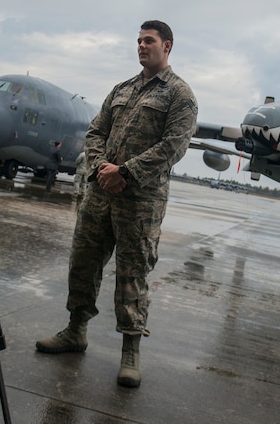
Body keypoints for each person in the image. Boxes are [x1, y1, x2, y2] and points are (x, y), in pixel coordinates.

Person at [35, 20, 197, 389]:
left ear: (167, 46)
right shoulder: (122, 89)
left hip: (139, 204)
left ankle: (130, 352)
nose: (142, 46)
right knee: (83, 262)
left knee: (132, 276)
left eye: (149, 41)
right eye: (139, 40)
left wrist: (125, 171)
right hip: (99, 196)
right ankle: (75, 331)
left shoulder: (180, 95)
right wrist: (100, 167)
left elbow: (175, 146)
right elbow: (96, 131)